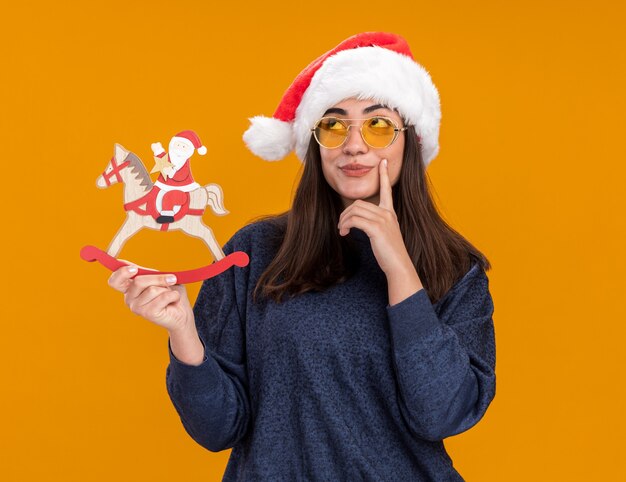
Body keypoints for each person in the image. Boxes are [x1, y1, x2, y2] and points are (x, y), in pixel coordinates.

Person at [108, 32, 496, 481]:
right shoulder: (253, 252)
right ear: (314, 143)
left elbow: (443, 414)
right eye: (333, 125)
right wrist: (183, 335)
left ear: (410, 140)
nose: (354, 144)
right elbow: (218, 430)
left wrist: (400, 270)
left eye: (378, 125)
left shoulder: (455, 268)